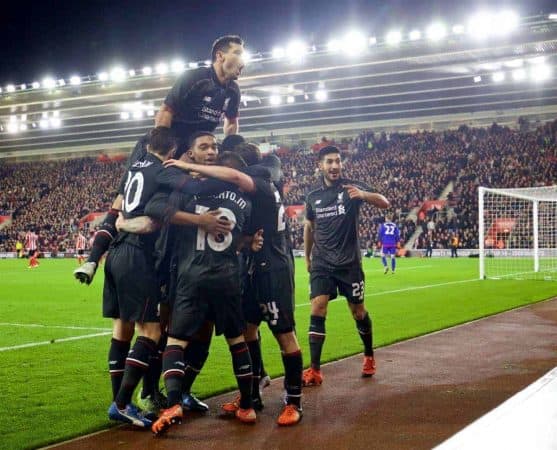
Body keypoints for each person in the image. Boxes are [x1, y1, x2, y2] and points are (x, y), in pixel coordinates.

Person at [73, 35, 246, 285]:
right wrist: (161, 155)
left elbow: (231, 123)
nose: (243, 60)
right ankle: (92, 259)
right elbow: (165, 112)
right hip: (161, 146)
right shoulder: (195, 79)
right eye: (238, 53)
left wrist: (229, 151)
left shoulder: (233, 91)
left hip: (188, 153)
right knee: (124, 198)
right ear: (220, 56)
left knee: (170, 206)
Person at [105, 128, 231, 428]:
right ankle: (128, 401)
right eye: (204, 147)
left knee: (141, 329)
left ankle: (139, 398)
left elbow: (130, 208)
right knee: (151, 331)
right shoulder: (165, 173)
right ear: (180, 151)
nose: (210, 152)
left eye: (214, 147)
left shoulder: (138, 168)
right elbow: (165, 203)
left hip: (127, 253)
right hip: (147, 259)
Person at [190, 142, 303, 426]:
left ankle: (294, 402)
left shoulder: (262, 186)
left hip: (273, 270)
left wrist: (188, 165)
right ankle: (250, 395)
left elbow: (239, 176)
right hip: (253, 268)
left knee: (284, 334)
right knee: (248, 330)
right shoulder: (254, 190)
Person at [150, 151, 259, 436]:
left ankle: (173, 402)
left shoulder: (193, 191)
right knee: (237, 340)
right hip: (227, 277)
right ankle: (247, 405)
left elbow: (159, 209)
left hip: (192, 275)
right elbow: (241, 240)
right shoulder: (246, 201)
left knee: (176, 342)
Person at [303, 146, 389, 386]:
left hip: (349, 264)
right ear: (320, 165)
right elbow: (309, 227)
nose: (334, 166)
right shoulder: (312, 197)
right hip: (322, 263)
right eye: (329, 161)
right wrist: (307, 257)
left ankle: (369, 355)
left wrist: (363, 194)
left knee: (358, 312)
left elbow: (384, 202)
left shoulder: (352, 187)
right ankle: (315, 369)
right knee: (318, 307)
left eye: (338, 161)